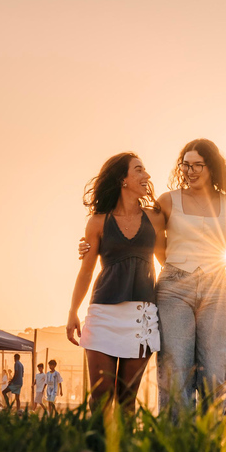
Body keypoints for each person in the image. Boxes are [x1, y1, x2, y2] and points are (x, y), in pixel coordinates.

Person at [155, 139, 226, 416]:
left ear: (211, 167)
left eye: (197, 165)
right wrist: (177, 272)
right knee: (176, 367)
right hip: (173, 290)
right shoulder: (168, 201)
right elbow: (152, 243)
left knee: (215, 369)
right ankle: (175, 444)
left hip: (217, 290)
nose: (190, 171)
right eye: (186, 165)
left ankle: (210, 443)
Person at [67, 152, 166, 413]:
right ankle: (95, 450)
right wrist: (72, 312)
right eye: (139, 170)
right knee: (100, 396)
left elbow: (167, 258)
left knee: (126, 400)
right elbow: (86, 272)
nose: (147, 176)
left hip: (142, 316)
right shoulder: (98, 222)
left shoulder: (155, 218)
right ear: (124, 179)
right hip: (103, 315)